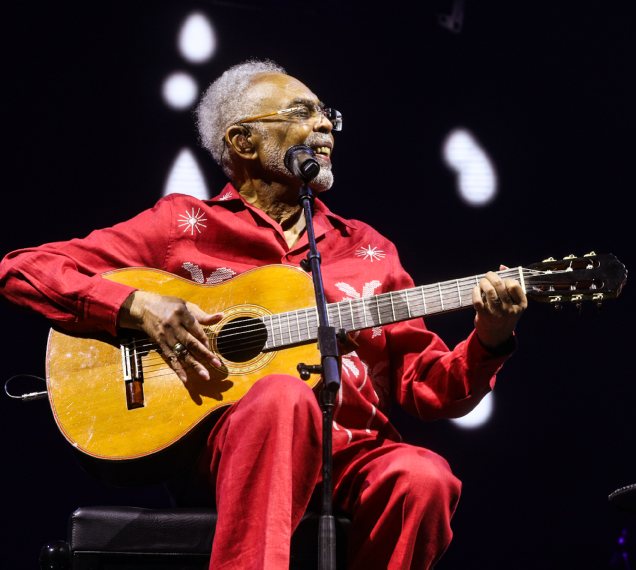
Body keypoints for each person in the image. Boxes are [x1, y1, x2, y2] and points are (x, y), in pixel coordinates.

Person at [0, 60, 527, 569]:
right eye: (302, 112)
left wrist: (490, 337)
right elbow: (22, 269)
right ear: (243, 142)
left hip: (349, 454)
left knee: (424, 476)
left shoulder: (366, 248)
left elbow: (430, 387)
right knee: (282, 397)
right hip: (233, 449)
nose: (324, 124)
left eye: (328, 115)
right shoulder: (183, 227)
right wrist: (135, 306)